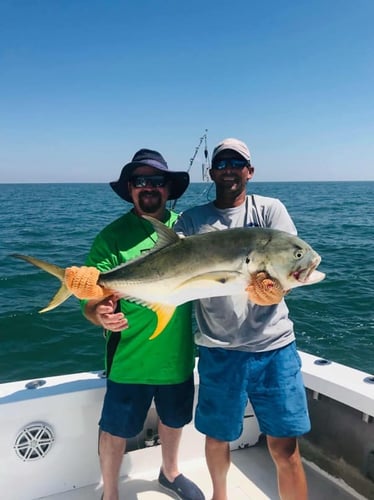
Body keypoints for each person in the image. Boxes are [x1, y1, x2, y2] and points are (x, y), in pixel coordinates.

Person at [174, 138, 310, 500]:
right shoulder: (192, 219)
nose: (229, 168)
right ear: (211, 171)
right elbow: (171, 272)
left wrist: (279, 291)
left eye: (237, 162)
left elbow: (291, 266)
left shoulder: (270, 211)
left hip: (274, 348)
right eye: (221, 163)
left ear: (250, 170)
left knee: (285, 447)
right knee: (217, 437)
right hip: (220, 348)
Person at [69, 149, 205, 500]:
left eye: (157, 181)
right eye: (140, 181)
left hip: (176, 356)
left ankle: (169, 472)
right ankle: (110, 493)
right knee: (115, 430)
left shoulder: (188, 229)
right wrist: (98, 313)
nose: (149, 188)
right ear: (130, 189)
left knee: (174, 421)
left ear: (168, 188)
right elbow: (91, 300)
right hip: (128, 360)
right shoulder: (111, 238)